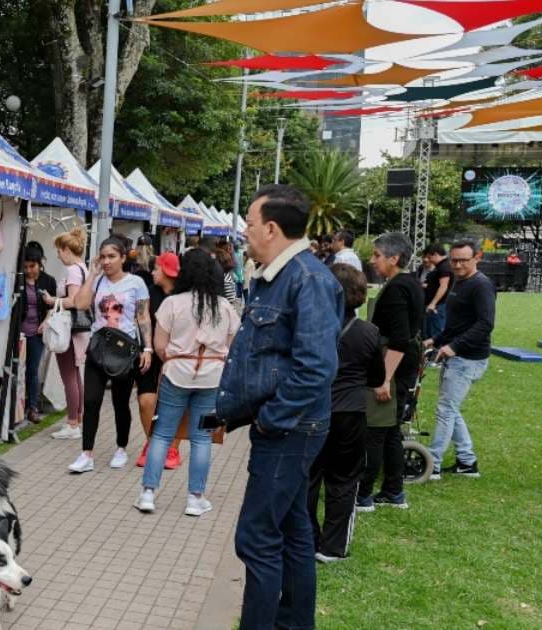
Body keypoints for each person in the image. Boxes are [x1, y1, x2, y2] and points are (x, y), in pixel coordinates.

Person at [215, 185, 343, 630]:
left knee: (256, 539)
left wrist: (272, 419)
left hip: (290, 430)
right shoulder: (277, 275)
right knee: (292, 533)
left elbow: (316, 368)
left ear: (271, 228)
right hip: (287, 426)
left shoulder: (307, 279)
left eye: (249, 224)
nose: (244, 233)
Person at [135, 249, 240, 515]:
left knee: (162, 433)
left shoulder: (172, 303)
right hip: (212, 380)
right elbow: (232, 346)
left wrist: (175, 358)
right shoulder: (224, 307)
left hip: (175, 375)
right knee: (202, 438)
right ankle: (195, 498)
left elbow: (160, 345)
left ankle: (148, 493)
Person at [309, 264, 385, 562]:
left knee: (309, 477)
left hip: (314, 409)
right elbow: (377, 377)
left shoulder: (311, 327)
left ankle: (307, 538)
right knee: (344, 479)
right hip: (350, 412)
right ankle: (333, 546)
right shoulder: (369, 333)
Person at [68, 236, 153, 473]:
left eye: (111, 256)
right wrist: (92, 275)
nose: (106, 261)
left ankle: (121, 447)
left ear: (123, 258)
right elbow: (80, 304)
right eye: (103, 256)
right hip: (98, 347)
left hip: (125, 350)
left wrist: (147, 348)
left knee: (120, 402)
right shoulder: (96, 281)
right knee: (91, 400)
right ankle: (86, 454)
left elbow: (143, 317)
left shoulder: (136, 283)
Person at [357, 232, 423, 511]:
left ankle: (363, 496)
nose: (373, 261)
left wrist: (383, 379)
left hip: (391, 370)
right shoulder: (411, 284)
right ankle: (394, 491)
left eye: (377, 256)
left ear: (394, 258)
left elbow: (399, 339)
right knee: (392, 432)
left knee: (374, 431)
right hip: (401, 368)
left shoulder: (397, 288)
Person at [424, 239, 496, 479]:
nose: (457, 265)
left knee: (446, 409)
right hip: (456, 354)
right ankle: (467, 461)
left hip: (468, 358)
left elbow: (485, 324)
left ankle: (431, 465)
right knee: (451, 408)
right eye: (453, 260)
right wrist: (435, 340)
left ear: (478, 257)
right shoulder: (459, 282)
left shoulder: (481, 285)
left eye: (463, 260)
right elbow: (456, 324)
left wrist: (454, 346)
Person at [134, 251, 186, 469]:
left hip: (177, 359)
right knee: (146, 401)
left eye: (156, 269)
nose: (153, 272)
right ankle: (152, 444)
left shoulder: (184, 295)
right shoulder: (149, 293)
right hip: (150, 356)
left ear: (166, 271)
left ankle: (173, 447)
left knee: (176, 405)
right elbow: (141, 317)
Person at [44, 228, 89, 440]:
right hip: (78, 329)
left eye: (59, 251)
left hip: (68, 329)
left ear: (66, 250)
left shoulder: (72, 271)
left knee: (68, 376)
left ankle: (72, 423)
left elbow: (74, 301)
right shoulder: (83, 268)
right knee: (75, 375)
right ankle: (77, 420)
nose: (58, 256)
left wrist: (53, 301)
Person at [17, 244, 56, 423]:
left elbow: (52, 306)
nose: (28, 271)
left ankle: (32, 406)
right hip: (18, 332)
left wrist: (46, 320)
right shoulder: (18, 279)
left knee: (32, 370)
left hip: (36, 333)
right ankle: (15, 406)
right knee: (15, 369)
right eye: (25, 267)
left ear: (40, 264)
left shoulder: (49, 281)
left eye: (32, 266)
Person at [422, 244, 452, 341]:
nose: (429, 260)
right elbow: (437, 285)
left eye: (429, 257)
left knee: (434, 334)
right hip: (435, 305)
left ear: (435, 254)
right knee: (428, 333)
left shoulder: (444, 266)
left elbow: (444, 286)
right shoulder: (440, 266)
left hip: (437, 307)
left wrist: (433, 303)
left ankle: (434, 354)